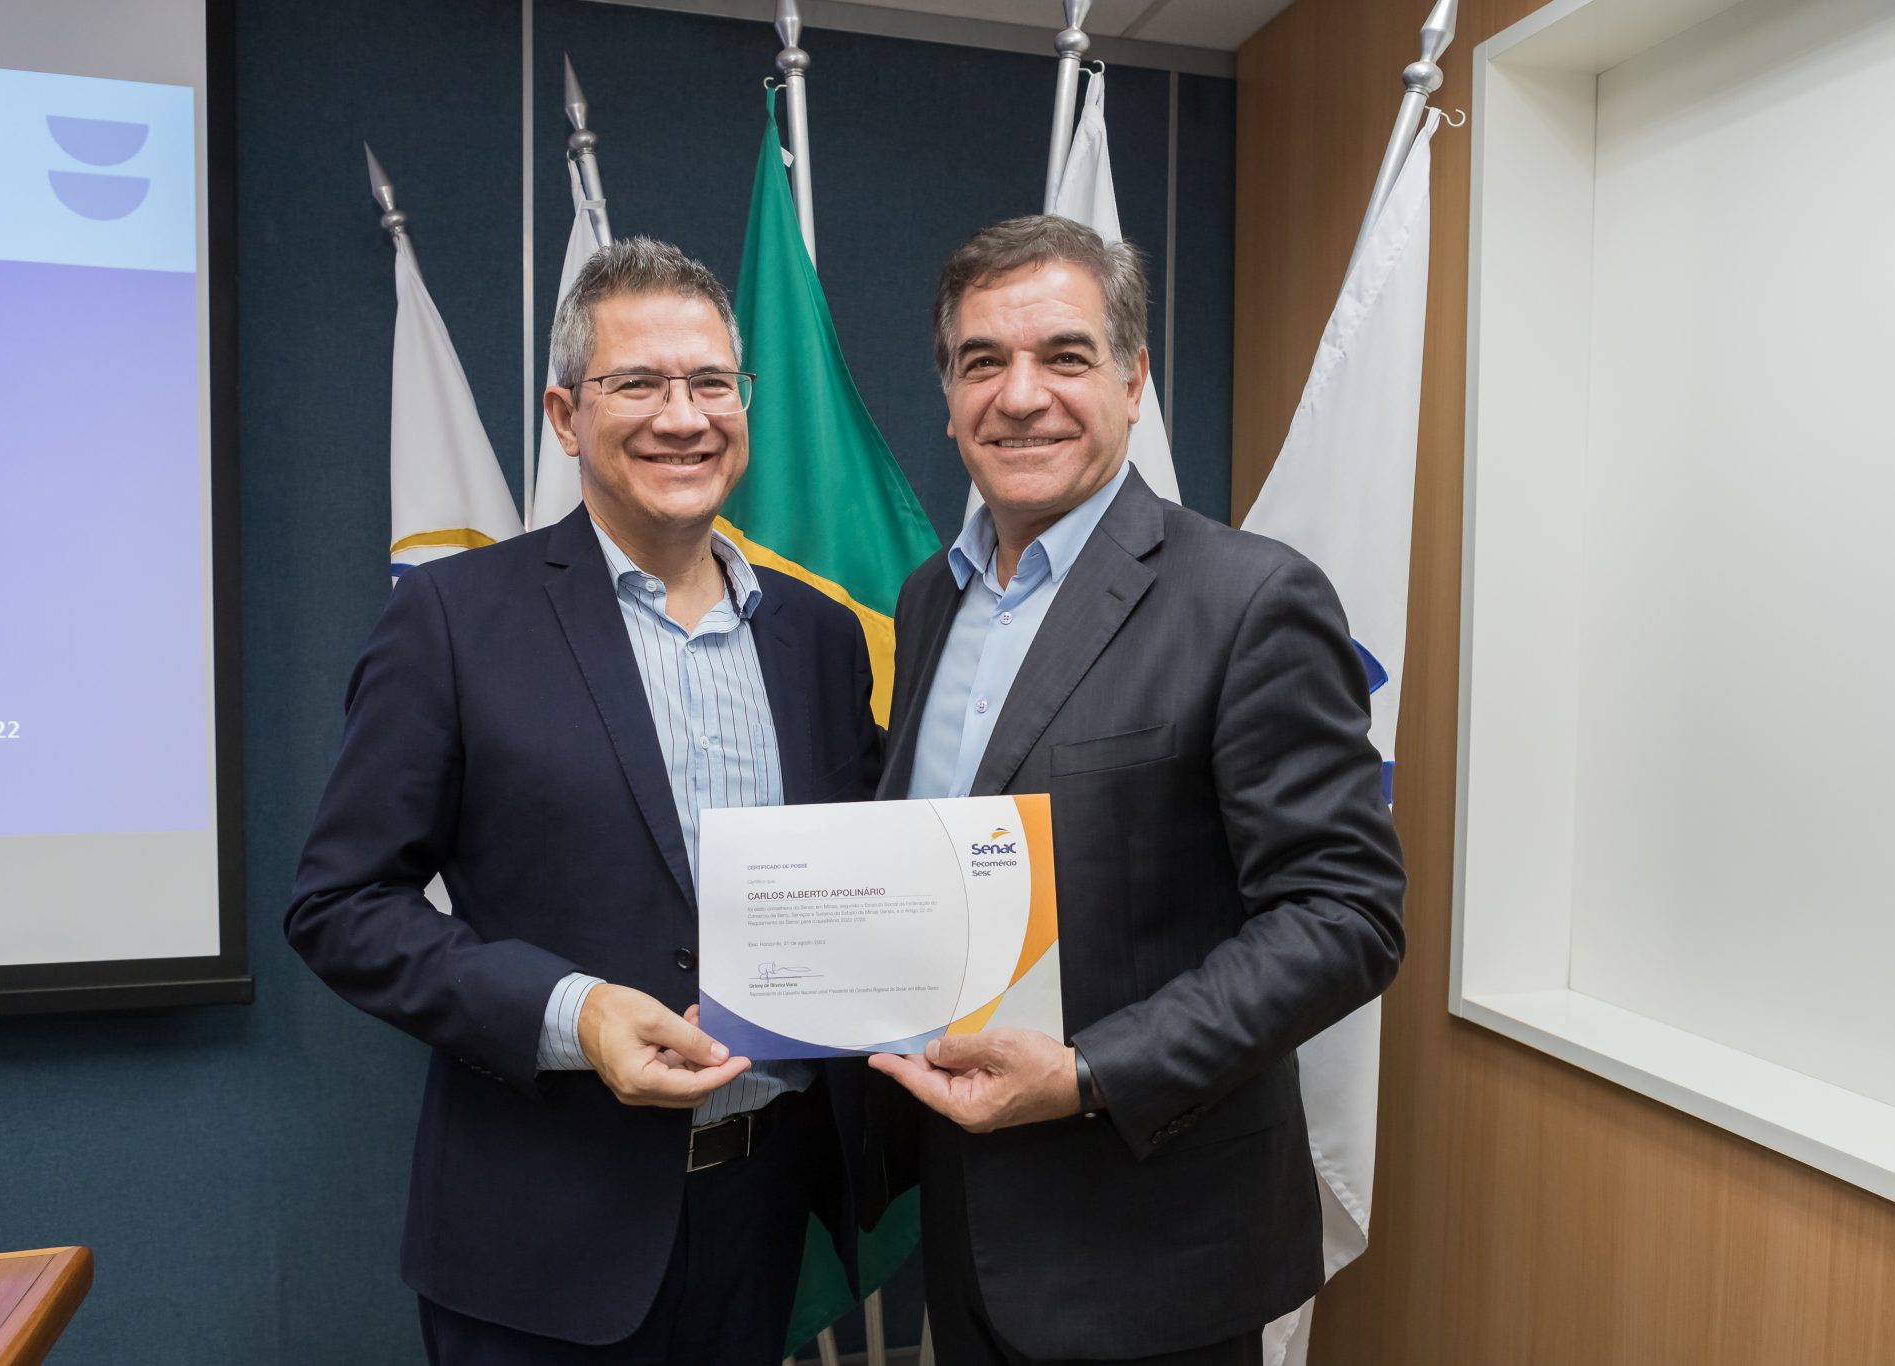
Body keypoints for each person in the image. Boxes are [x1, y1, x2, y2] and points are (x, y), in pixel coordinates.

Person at [287, 238, 880, 1365]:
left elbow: (858, 874)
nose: (683, 417)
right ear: (565, 416)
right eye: (638, 384)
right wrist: (575, 1013)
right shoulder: (452, 621)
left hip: (765, 1214)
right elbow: (340, 906)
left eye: (711, 383)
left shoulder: (819, 636)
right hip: (540, 1239)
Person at [869, 215, 1407, 1365]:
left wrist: (1087, 1073)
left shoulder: (1249, 600)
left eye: (1063, 356)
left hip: (1155, 1255)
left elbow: (1344, 916)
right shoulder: (928, 600)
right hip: (964, 1230)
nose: (1020, 396)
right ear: (948, 396)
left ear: (1131, 377)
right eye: (981, 361)